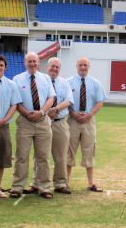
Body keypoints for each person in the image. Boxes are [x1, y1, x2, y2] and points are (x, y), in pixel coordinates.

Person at [11, 52, 55, 198]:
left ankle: (44, 188)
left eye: (34, 61)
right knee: (22, 156)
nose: (32, 64)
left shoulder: (46, 78)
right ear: (25, 63)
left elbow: (51, 97)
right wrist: (27, 113)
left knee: (43, 157)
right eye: (29, 62)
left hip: (43, 121)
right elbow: (15, 101)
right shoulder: (17, 79)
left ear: (38, 62)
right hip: (25, 121)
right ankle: (17, 187)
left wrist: (41, 112)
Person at [28, 57, 74, 194]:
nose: (54, 69)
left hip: (59, 123)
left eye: (57, 67)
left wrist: (56, 109)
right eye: (52, 66)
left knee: (60, 155)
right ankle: (36, 183)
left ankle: (60, 183)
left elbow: (68, 100)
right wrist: (45, 112)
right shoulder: (38, 80)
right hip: (41, 122)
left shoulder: (64, 83)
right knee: (40, 155)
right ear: (46, 67)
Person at [67, 57, 108, 192]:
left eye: (85, 65)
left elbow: (100, 102)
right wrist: (73, 114)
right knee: (69, 151)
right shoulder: (68, 82)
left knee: (89, 151)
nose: (82, 67)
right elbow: (65, 101)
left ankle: (91, 183)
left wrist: (89, 115)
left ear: (89, 66)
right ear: (76, 66)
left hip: (89, 121)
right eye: (80, 65)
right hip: (72, 120)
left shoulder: (95, 83)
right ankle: (65, 182)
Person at [0, 53, 21, 198]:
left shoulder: (11, 84)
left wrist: (3, 120)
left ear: (5, 67)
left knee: (1, 159)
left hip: (3, 126)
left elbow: (14, 105)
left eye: (1, 65)